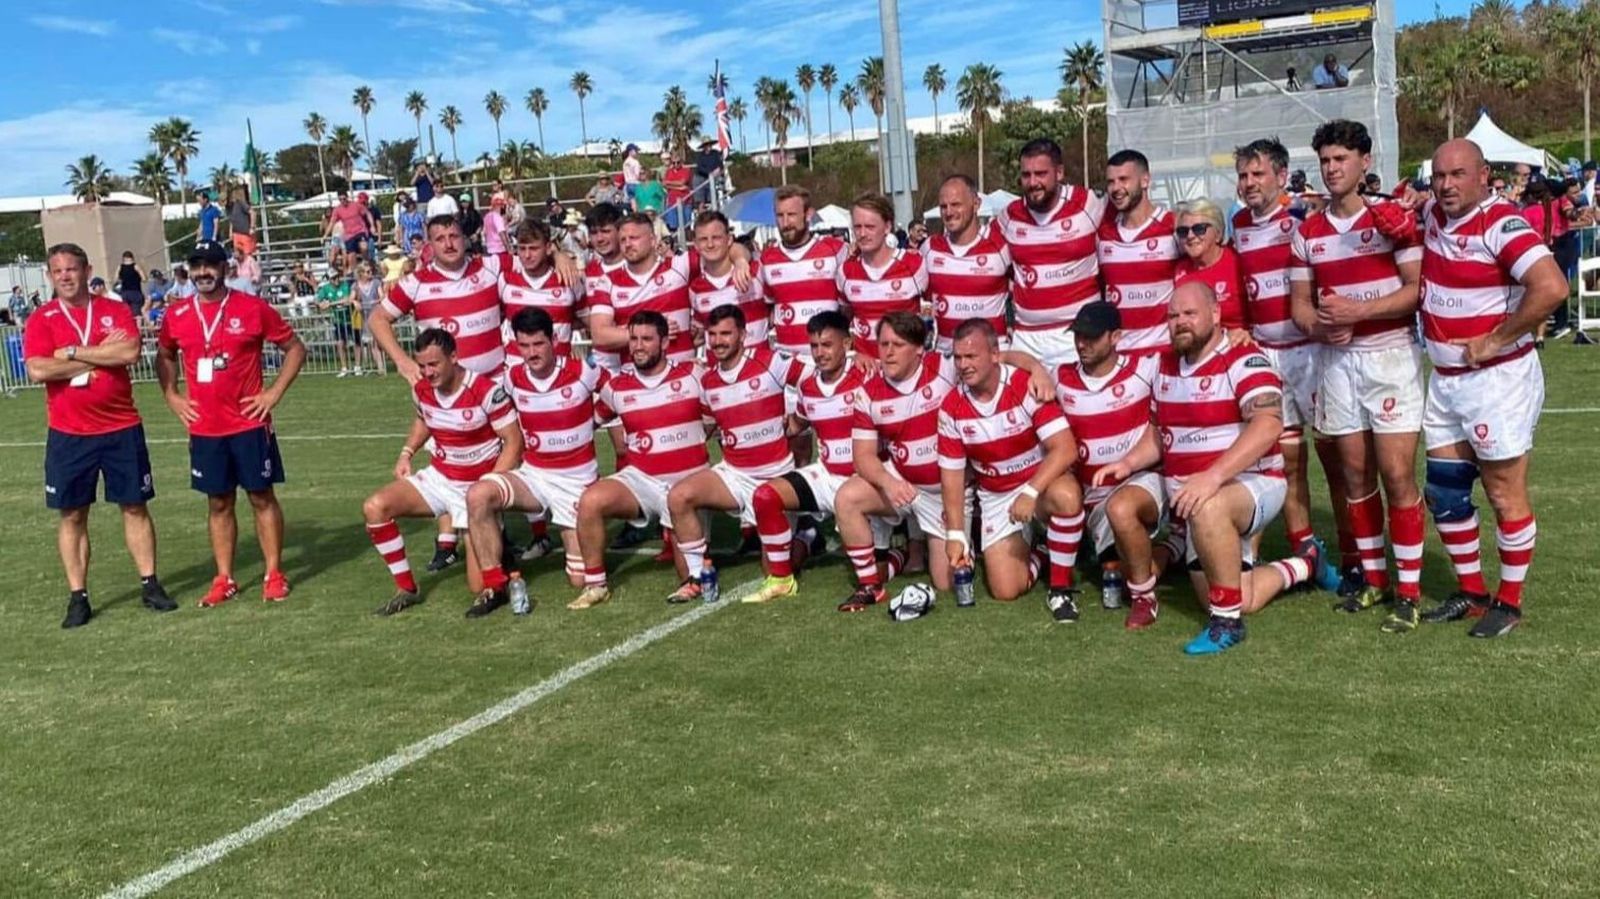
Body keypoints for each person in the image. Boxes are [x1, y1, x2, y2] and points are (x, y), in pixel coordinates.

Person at [1413, 138, 1569, 637]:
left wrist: (1495, 338)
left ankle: (1510, 599)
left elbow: (1552, 287)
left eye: (1458, 175)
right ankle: (1473, 592)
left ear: (1483, 176)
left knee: (1504, 493)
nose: (1446, 185)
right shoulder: (1435, 216)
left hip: (1496, 380)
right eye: (1439, 176)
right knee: (1445, 490)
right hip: (1446, 381)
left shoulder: (1503, 224)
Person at [1289, 119, 1427, 632]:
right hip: (1337, 363)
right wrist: (1322, 329)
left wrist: (1355, 313)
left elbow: (1415, 290)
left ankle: (1409, 591)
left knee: (1396, 474)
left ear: (1364, 162)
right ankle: (1374, 581)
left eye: (1341, 159)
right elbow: (1300, 306)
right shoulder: (1308, 233)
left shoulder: (1392, 220)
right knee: (1354, 475)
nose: (1331, 169)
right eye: (1325, 161)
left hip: (1389, 356)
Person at [833, 312, 1053, 610]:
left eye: (897, 345)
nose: (888, 352)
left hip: (949, 490)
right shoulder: (867, 392)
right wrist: (889, 482)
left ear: (920, 349)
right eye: (883, 344)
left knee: (947, 583)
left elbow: (1000, 356)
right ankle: (870, 585)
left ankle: (1034, 549)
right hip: (903, 486)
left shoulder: (946, 367)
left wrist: (1036, 368)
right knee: (847, 497)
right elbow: (863, 457)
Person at [1144, 281, 1318, 654]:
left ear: (1216, 314)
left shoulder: (1245, 358)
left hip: (1254, 484)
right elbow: (1158, 434)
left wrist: (1213, 477)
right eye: (1173, 316)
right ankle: (1305, 566)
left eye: (1189, 313)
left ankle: (1227, 625)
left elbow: (1269, 423)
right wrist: (1124, 463)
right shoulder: (1164, 366)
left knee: (1211, 508)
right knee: (1239, 595)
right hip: (1200, 498)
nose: (1180, 322)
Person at [23, 242, 175, 627]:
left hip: (121, 427)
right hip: (69, 433)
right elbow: (38, 370)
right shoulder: (41, 318)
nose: (65, 277)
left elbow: (128, 354)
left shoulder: (112, 309)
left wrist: (70, 352)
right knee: (73, 514)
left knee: (135, 506)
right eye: (58, 271)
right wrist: (95, 353)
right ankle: (78, 597)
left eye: (72, 269)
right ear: (49, 275)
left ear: (86, 270)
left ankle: (150, 583)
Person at [155, 240, 306, 607]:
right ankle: (224, 577)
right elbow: (164, 354)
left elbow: (296, 349)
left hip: (249, 425)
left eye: (210, 265)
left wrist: (272, 394)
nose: (203, 272)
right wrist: (171, 395)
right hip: (205, 428)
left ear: (226, 268)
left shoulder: (252, 308)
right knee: (218, 502)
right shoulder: (176, 315)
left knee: (261, 497)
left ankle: (273, 573)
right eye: (197, 266)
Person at [1232, 137, 1346, 591]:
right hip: (1265, 354)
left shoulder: (1302, 217)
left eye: (1258, 174)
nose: (1249, 183)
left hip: (1311, 351)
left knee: (1338, 458)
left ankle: (1357, 553)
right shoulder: (1238, 223)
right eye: (1243, 175)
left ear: (1281, 177)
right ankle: (1306, 548)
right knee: (1285, 459)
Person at [363, 328, 523, 617]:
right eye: (422, 365)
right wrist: (406, 453)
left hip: (476, 486)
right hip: (440, 478)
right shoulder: (421, 388)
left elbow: (514, 441)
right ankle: (407, 589)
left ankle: (499, 554)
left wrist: (490, 487)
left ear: (454, 357)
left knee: (479, 586)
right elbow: (424, 419)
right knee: (375, 507)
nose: (427, 372)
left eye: (434, 364)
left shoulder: (485, 390)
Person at [1052, 301, 1185, 628]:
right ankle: (1173, 547)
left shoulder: (1146, 367)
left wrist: (1237, 334)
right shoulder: (1061, 377)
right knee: (1125, 572)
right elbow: (1015, 366)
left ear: (1116, 337)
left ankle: (1145, 600)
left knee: (1123, 508)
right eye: (1078, 336)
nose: (1082, 344)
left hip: (1142, 481)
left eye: (1092, 337)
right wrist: (1021, 359)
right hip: (1094, 498)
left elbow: (1195, 349)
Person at [939, 318, 1084, 616]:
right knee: (1005, 591)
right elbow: (951, 477)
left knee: (1067, 496)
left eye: (971, 356)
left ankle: (1060, 589)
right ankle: (1044, 553)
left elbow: (1066, 448)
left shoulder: (1023, 384)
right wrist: (955, 534)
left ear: (995, 355)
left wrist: (1031, 491)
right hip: (996, 496)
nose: (963, 364)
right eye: (958, 357)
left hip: (1039, 484)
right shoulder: (951, 406)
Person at [664, 305, 806, 601]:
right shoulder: (708, 381)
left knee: (774, 572)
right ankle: (696, 577)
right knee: (679, 496)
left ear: (743, 335)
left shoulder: (771, 362)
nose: (718, 341)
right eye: (712, 334)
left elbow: (816, 379)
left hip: (775, 476)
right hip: (734, 474)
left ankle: (805, 537)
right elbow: (704, 428)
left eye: (726, 334)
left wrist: (798, 419)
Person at [568, 312, 710, 609]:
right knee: (591, 501)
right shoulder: (618, 387)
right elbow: (589, 423)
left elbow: (723, 410)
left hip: (687, 486)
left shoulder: (693, 375)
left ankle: (692, 568)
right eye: (633, 339)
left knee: (691, 578)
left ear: (665, 342)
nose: (638, 346)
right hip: (642, 481)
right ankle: (596, 585)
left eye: (646, 339)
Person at [464, 308, 600, 606]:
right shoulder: (512, 379)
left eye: (538, 344)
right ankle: (494, 585)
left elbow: (617, 399)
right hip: (535, 476)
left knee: (579, 580)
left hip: (576, 482)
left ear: (553, 339)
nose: (531, 352)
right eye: (524, 346)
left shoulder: (583, 371)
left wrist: (596, 421)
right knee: (479, 494)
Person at [746, 311, 864, 604]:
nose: (820, 353)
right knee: (765, 496)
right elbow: (797, 424)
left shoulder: (867, 375)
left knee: (877, 570)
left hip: (864, 481)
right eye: (814, 346)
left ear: (847, 343)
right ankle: (783, 579)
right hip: (827, 475)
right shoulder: (808, 386)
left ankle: (904, 552)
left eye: (827, 345)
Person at [997, 138, 1106, 366]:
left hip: (1077, 335)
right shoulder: (1009, 215)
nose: (1033, 182)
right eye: (1026, 175)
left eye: (1040, 174)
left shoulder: (1087, 204)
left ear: (1059, 173)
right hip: (1026, 338)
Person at [371, 215, 508, 383]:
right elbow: (377, 319)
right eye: (440, 239)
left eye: (454, 237)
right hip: (447, 393)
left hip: (496, 386)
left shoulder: (491, 267)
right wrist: (402, 361)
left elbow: (534, 259)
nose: (449, 245)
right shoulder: (416, 283)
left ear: (464, 239)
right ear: (430, 245)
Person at [1097, 149, 1177, 379]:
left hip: (1164, 355)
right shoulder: (1104, 235)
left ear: (1145, 180)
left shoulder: (1172, 226)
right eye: (1111, 181)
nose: (1116, 188)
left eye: (1123, 179)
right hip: (1119, 359)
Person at [585, 213, 695, 370]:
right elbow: (599, 335)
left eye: (634, 238)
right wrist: (650, 332)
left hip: (682, 379)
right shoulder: (607, 282)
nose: (628, 244)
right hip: (635, 384)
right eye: (623, 240)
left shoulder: (679, 266)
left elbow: (725, 249)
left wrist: (739, 259)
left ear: (653, 240)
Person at [758, 185, 848, 358]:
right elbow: (768, 308)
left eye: (791, 215)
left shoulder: (835, 250)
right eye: (780, 215)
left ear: (808, 214)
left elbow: (848, 306)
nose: (785, 223)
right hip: (786, 363)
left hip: (829, 361)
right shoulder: (767, 259)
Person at [924, 174, 1011, 354]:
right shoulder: (930, 249)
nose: (948, 212)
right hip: (947, 358)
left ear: (976, 204)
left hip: (992, 359)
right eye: (943, 206)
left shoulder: (1001, 245)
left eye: (956, 204)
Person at [837, 193, 927, 359]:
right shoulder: (846, 272)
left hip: (906, 373)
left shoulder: (914, 265)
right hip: (866, 373)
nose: (862, 234)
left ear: (887, 227)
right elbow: (843, 321)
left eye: (870, 227)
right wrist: (852, 354)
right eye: (857, 227)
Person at [688, 211, 769, 349]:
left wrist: (741, 260)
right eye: (703, 239)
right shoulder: (695, 289)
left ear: (730, 239)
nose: (710, 244)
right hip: (717, 369)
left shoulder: (755, 272)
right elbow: (700, 335)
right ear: (695, 245)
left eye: (716, 237)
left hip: (759, 368)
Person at [1173, 199, 1248, 334]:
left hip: (1240, 345)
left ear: (1218, 234)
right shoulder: (1178, 270)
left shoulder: (1239, 262)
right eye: (1183, 231)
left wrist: (1247, 333)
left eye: (1199, 229)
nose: (1190, 236)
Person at [316, 273, 359, 377]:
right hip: (338, 320)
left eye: (337, 277)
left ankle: (358, 367)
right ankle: (344, 368)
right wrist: (320, 304)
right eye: (333, 278)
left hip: (351, 318)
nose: (336, 279)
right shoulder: (325, 288)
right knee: (340, 343)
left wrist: (330, 304)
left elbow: (347, 300)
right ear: (329, 279)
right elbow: (318, 300)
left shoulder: (345, 285)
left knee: (356, 342)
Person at [323, 191, 375, 277]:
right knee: (351, 257)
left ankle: (367, 264)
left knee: (364, 247)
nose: (343, 201)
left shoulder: (356, 205)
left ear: (347, 197)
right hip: (349, 234)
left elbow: (367, 213)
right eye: (340, 199)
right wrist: (325, 235)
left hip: (360, 230)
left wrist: (372, 226)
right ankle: (356, 275)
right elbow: (332, 222)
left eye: (344, 199)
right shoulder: (337, 210)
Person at [352, 262, 386, 376]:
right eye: (367, 272)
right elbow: (350, 298)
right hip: (364, 316)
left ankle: (381, 368)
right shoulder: (356, 286)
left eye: (371, 271)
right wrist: (355, 301)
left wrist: (376, 301)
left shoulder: (376, 283)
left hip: (375, 314)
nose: (370, 273)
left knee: (376, 342)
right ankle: (373, 366)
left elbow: (382, 295)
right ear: (361, 273)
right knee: (368, 343)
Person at [114, 250, 146, 317]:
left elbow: (115, 279)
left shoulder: (120, 267)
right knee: (137, 314)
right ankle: (138, 327)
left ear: (123, 258)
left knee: (126, 313)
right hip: (135, 292)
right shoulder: (136, 266)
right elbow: (144, 279)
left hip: (125, 293)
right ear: (132, 258)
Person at [692, 138, 724, 205]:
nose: (709, 146)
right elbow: (700, 168)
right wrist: (710, 173)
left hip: (712, 178)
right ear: (704, 146)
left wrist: (718, 170)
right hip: (700, 178)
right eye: (706, 145)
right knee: (701, 201)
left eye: (710, 144)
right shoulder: (700, 155)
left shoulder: (715, 153)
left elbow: (720, 164)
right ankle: (701, 212)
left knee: (713, 199)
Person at [226, 186, 256, 256]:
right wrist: (230, 232)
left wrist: (252, 227)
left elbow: (253, 213)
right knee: (238, 256)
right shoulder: (228, 209)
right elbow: (231, 220)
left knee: (248, 255)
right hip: (236, 233)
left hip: (246, 233)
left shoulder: (240, 203)